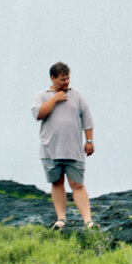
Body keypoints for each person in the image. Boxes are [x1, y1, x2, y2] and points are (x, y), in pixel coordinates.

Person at [32, 62, 96, 230]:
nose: (66, 82)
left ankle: (88, 221)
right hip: (50, 150)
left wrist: (89, 141)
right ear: (52, 78)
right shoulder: (42, 95)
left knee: (78, 184)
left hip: (73, 150)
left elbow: (87, 120)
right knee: (57, 183)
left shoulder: (77, 95)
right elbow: (38, 114)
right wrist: (55, 99)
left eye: (67, 78)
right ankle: (61, 219)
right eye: (62, 79)